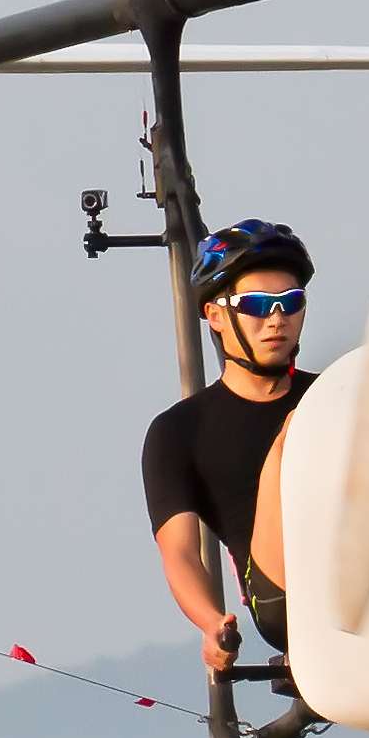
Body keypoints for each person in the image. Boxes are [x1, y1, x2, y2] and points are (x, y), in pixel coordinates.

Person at [140, 220, 316, 671]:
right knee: (303, 426)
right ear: (215, 315)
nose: (276, 319)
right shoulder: (179, 431)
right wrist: (211, 623)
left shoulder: (338, 391)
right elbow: (180, 552)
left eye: (290, 302)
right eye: (256, 304)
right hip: (284, 600)